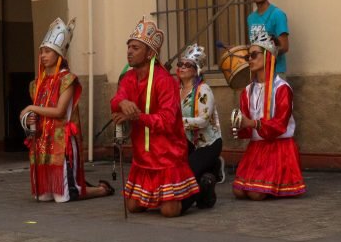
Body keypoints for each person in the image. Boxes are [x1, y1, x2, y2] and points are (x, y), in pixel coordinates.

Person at [110, 17, 197, 217]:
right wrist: (122, 103)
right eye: (129, 47)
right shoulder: (129, 77)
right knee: (133, 207)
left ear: (150, 53)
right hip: (143, 156)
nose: (129, 52)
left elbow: (166, 121)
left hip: (167, 155)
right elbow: (117, 99)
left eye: (135, 48)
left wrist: (137, 116)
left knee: (169, 211)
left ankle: (196, 191)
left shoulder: (164, 80)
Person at [21, 16, 113, 202]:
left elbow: (59, 112)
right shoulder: (37, 83)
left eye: (48, 51)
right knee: (43, 197)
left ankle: (101, 189)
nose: (43, 56)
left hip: (61, 140)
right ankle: (77, 184)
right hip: (42, 140)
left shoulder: (67, 80)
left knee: (64, 197)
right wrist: (29, 118)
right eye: (42, 52)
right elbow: (36, 113)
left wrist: (31, 107)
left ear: (59, 54)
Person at [231, 25, 306, 200]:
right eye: (248, 56)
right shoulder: (247, 91)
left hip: (278, 148)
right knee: (239, 191)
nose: (249, 59)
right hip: (256, 148)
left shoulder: (282, 89)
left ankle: (278, 182)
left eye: (254, 55)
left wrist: (253, 123)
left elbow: (280, 125)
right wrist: (239, 124)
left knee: (256, 194)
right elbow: (247, 129)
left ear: (267, 56)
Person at [176, 43, 223, 209]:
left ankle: (184, 203)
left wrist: (176, 123)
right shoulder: (177, 90)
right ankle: (209, 179)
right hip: (188, 143)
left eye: (187, 65)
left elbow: (203, 120)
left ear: (196, 70)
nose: (182, 67)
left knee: (188, 172)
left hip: (207, 143)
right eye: (180, 64)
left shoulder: (203, 89)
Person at [244, 0, 290, 74]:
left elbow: (284, 47)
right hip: (257, 72)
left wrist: (263, 53)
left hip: (276, 72)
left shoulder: (278, 15)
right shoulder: (250, 18)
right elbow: (254, 44)